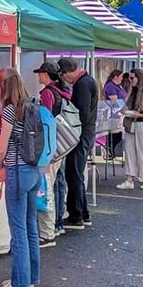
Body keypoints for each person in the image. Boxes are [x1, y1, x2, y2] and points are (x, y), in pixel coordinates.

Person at [0, 70, 42, 287]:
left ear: (3, 86)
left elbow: (2, 146)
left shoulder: (10, 110)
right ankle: (30, 278)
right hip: (33, 170)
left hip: (17, 172)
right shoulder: (29, 106)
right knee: (31, 227)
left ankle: (19, 284)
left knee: (18, 230)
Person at [35, 62, 72, 244]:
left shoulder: (48, 93)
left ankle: (47, 232)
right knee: (58, 184)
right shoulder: (62, 92)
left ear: (46, 75)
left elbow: (45, 120)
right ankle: (57, 224)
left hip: (50, 147)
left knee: (47, 188)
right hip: (62, 144)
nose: (37, 76)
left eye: (40, 73)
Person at [59, 58, 98, 230]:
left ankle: (76, 215)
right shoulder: (88, 81)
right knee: (76, 174)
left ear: (66, 72)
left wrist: (71, 132)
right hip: (86, 133)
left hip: (80, 134)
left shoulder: (82, 84)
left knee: (73, 174)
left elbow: (80, 113)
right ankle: (83, 213)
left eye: (63, 75)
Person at [102, 69, 127, 158]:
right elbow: (114, 100)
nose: (122, 79)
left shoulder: (119, 86)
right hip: (114, 112)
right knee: (114, 132)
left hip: (120, 112)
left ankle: (111, 150)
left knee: (118, 133)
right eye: (120, 77)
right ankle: (109, 150)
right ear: (115, 77)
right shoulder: (110, 86)